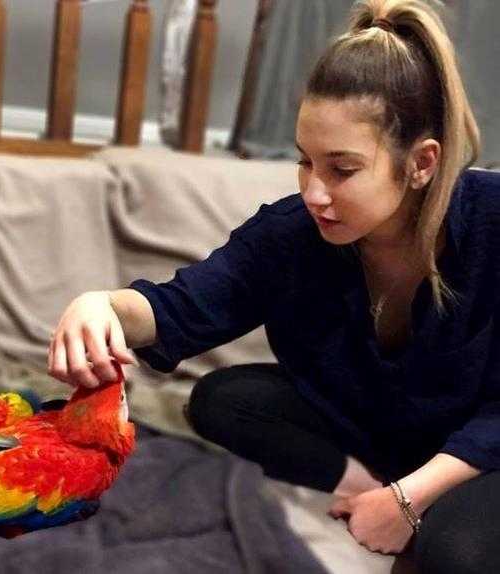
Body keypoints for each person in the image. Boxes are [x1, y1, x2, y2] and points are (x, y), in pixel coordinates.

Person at [48, 0, 499, 571]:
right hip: (375, 429)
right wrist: (101, 306)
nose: (314, 191)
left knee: (457, 552)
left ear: (422, 163)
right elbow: (179, 307)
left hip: (480, 449)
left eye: (342, 168)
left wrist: (411, 499)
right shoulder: (291, 233)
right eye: (304, 161)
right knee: (221, 398)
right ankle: (361, 482)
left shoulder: (491, 221)